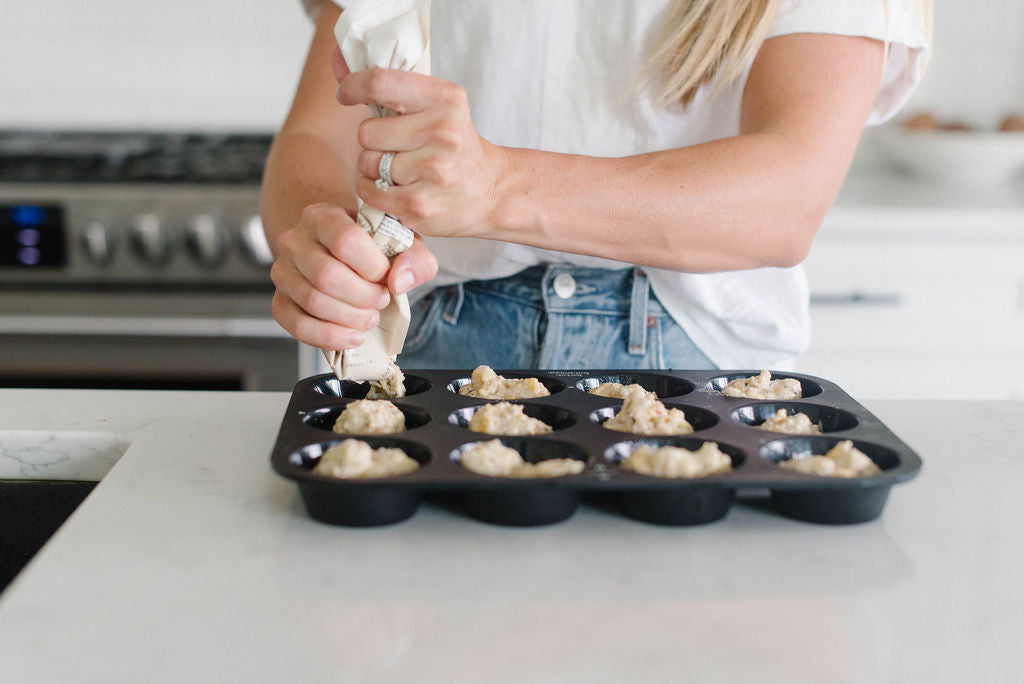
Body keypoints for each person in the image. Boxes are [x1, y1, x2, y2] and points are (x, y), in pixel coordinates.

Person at [261, 0, 931, 371]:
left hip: (701, 366)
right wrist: (320, 238)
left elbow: (785, 202)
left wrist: (497, 189)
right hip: (432, 341)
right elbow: (319, 134)